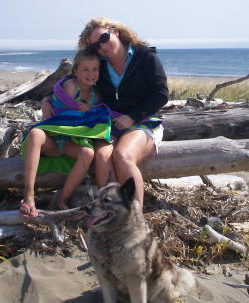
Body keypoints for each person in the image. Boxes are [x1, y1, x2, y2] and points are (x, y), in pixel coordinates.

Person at [43, 17, 168, 208]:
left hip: (142, 122)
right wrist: (45, 100)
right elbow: (71, 80)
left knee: (122, 156)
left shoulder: (145, 56)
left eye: (104, 37)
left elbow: (161, 93)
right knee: (102, 157)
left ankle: (135, 219)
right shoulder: (100, 65)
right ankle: (112, 214)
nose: (103, 46)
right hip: (109, 124)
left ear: (115, 31)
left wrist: (132, 116)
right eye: (95, 47)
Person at [21, 49, 112, 218]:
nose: (90, 74)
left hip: (71, 142)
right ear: (75, 71)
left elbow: (100, 113)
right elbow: (64, 117)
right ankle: (28, 195)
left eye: (95, 69)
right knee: (35, 133)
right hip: (54, 137)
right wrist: (46, 100)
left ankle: (63, 199)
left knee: (87, 153)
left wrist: (90, 109)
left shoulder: (96, 94)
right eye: (85, 69)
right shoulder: (71, 86)